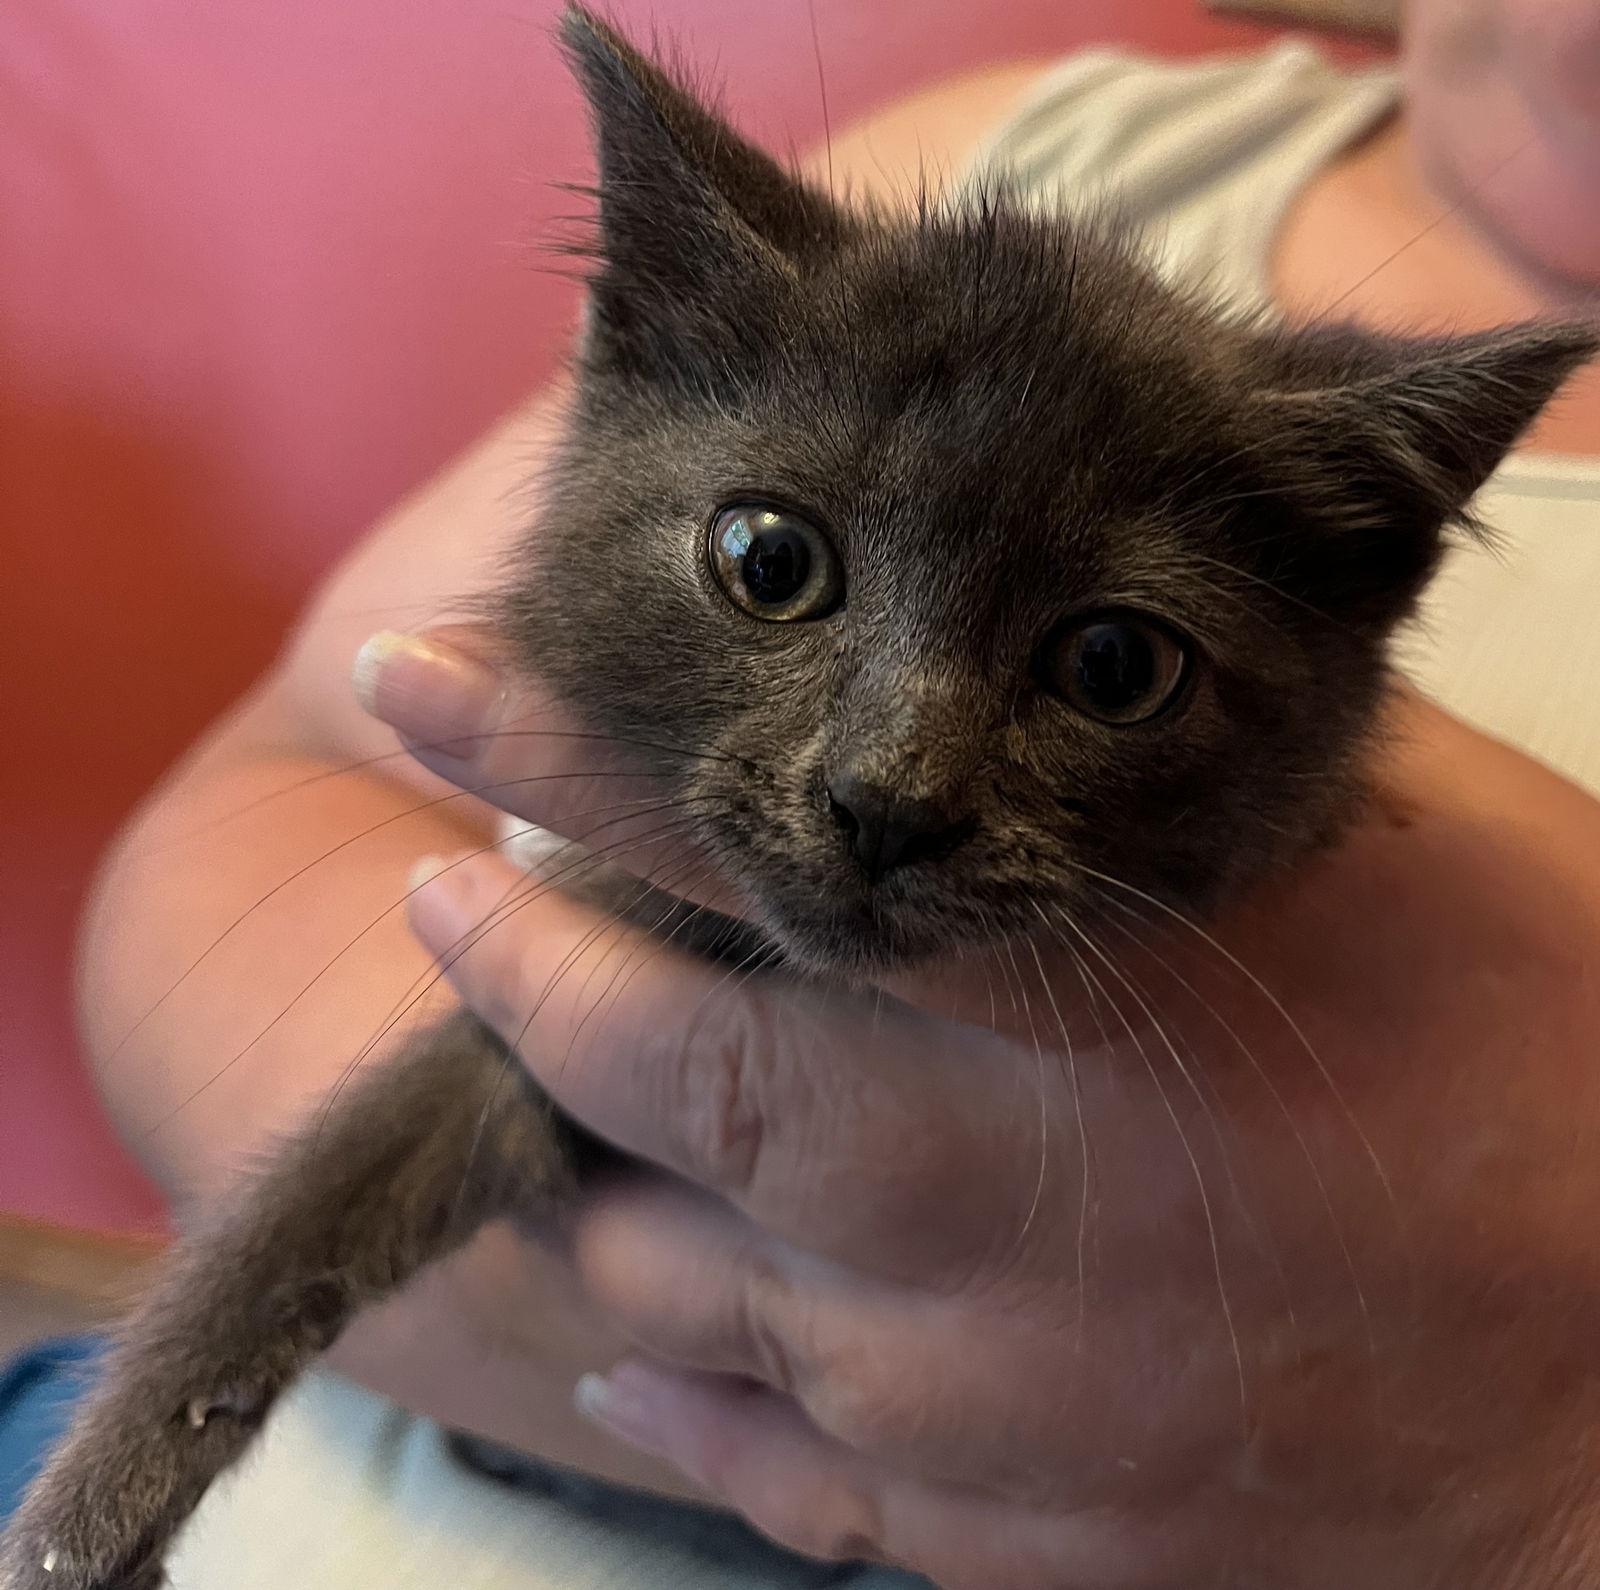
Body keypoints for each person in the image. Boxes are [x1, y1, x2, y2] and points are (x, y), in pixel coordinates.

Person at [13, 0, 1599, 1583]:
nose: (894, 778)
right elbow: (319, 890)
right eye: (775, 567)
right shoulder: (1022, 141)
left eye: (1112, 668)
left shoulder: (1306, 488)